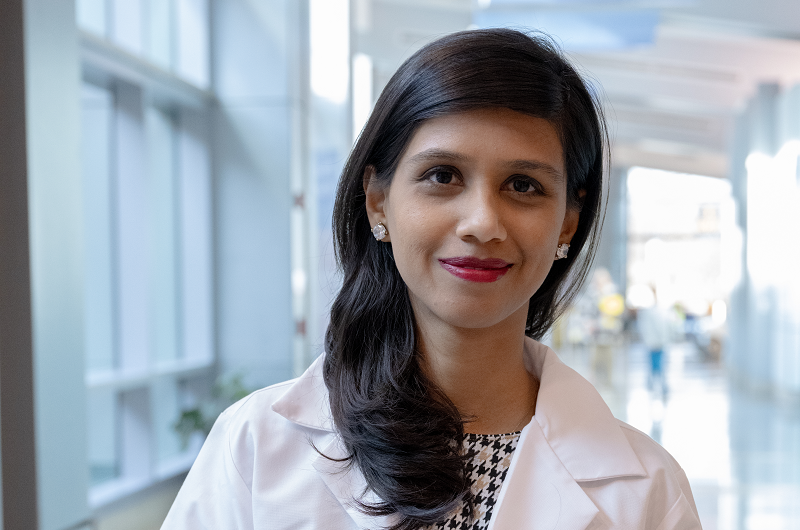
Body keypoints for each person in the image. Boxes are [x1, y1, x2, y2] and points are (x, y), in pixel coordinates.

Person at [162, 29, 702, 530]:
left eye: (523, 185)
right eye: (442, 176)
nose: (483, 224)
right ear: (378, 202)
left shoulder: (647, 492)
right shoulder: (257, 446)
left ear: (568, 221)